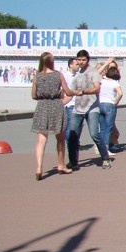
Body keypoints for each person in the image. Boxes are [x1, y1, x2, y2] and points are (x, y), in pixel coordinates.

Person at [31, 52, 77, 180]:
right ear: (52, 62)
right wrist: (77, 92)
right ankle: (61, 165)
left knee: (41, 140)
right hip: (56, 105)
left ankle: (39, 168)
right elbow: (68, 91)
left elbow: (34, 95)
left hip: (42, 106)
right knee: (60, 138)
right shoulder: (58, 75)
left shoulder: (37, 76)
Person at [67, 49, 103, 170]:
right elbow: (71, 92)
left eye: (83, 60)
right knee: (72, 136)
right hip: (78, 109)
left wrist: (84, 92)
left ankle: (105, 158)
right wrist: (60, 102)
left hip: (92, 108)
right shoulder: (77, 76)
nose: (81, 62)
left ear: (88, 60)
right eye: (79, 60)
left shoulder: (93, 72)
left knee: (94, 134)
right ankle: (73, 162)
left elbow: (97, 88)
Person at [97, 65, 123, 169]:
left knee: (102, 128)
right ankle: (106, 149)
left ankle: (101, 148)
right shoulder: (114, 82)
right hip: (110, 105)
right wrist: (115, 101)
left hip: (100, 104)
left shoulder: (102, 81)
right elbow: (120, 93)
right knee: (108, 128)